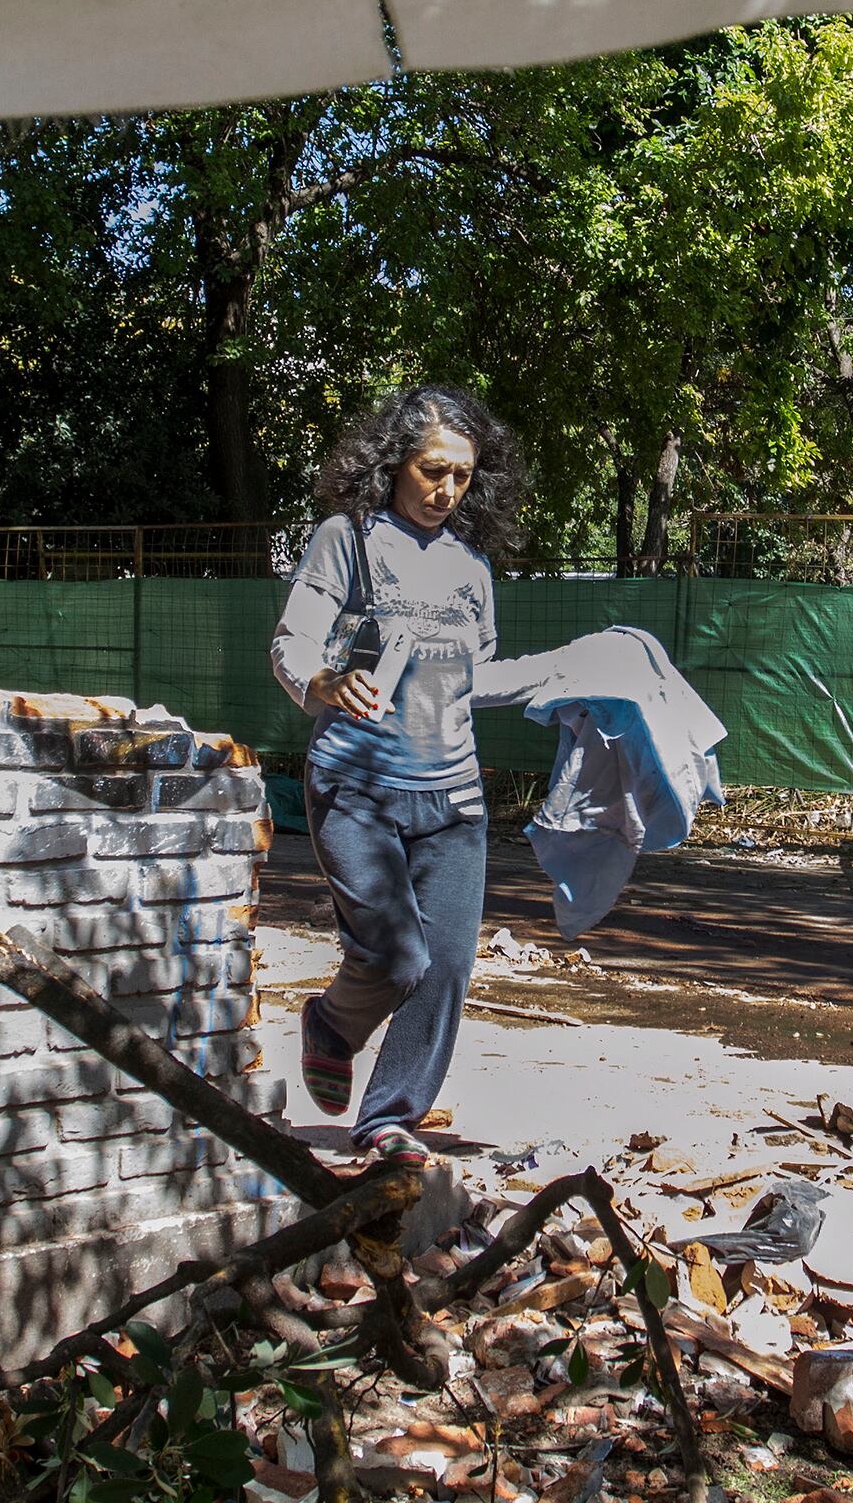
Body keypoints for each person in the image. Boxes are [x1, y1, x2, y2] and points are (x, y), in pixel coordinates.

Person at [268, 385, 525, 1165]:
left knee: (444, 968)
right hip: (355, 786)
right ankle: (332, 1025)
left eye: (461, 476)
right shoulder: (345, 539)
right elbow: (293, 641)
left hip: (453, 798)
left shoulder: (472, 568)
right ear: (394, 463)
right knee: (396, 957)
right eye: (431, 470)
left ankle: (389, 1118)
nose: (446, 489)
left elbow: (478, 678)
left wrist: (571, 684)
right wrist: (322, 680)